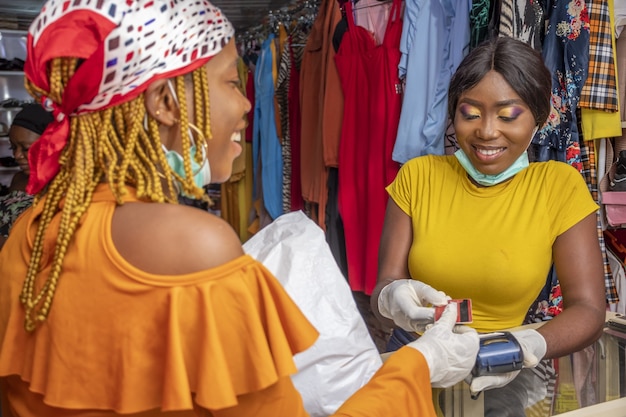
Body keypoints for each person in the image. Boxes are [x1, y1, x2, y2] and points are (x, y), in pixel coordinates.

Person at [0, 1, 480, 416]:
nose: (249, 105)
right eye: (231, 83)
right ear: (164, 103)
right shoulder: (194, 244)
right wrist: (420, 364)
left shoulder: (36, 227)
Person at [371, 35, 607, 415]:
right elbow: (384, 284)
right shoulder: (419, 176)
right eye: (470, 113)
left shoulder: (558, 186)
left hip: (504, 365)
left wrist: (519, 347)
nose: (486, 131)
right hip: (415, 355)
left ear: (539, 117)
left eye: (508, 115)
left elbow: (589, 310)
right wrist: (390, 298)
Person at [0, 103, 54, 250]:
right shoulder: (19, 179)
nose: (17, 155)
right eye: (13, 147)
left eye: (26, 148)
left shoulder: (66, 187)